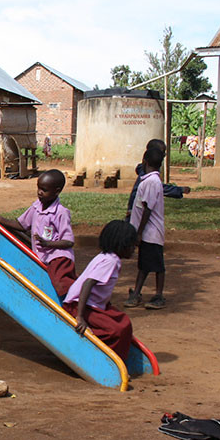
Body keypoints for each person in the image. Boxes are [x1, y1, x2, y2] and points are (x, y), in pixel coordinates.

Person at [0, 169, 77, 297]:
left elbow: (68, 241)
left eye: (44, 189)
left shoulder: (61, 212)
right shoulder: (36, 206)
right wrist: (0, 219)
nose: (39, 192)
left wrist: (48, 243)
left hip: (58, 258)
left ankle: (75, 302)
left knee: (63, 284)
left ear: (57, 191)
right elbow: (22, 225)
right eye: (38, 188)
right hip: (43, 257)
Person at [62, 219, 137, 360]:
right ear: (121, 245)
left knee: (122, 320)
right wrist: (80, 316)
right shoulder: (110, 261)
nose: (134, 249)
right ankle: (105, 360)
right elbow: (87, 284)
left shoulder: (107, 257)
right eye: (131, 245)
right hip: (79, 306)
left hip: (92, 305)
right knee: (117, 330)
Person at [125, 145, 167, 310]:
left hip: (150, 232)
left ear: (145, 162)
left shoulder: (151, 182)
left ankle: (158, 295)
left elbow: (147, 209)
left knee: (156, 266)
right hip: (148, 232)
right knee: (144, 265)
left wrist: (139, 233)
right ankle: (136, 293)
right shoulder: (151, 181)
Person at [125, 138, 190, 219]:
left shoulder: (145, 169)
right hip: (136, 211)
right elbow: (160, 188)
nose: (163, 157)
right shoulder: (148, 174)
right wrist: (179, 190)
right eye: (162, 154)